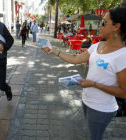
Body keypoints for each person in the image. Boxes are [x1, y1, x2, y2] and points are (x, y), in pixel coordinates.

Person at [41, 7, 126, 140]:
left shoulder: (122, 55)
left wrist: (94, 84)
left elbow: (123, 92)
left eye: (103, 23)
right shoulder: (97, 46)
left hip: (102, 108)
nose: (99, 26)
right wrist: (54, 51)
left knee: (95, 137)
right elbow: (75, 59)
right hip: (87, 102)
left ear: (116, 26)